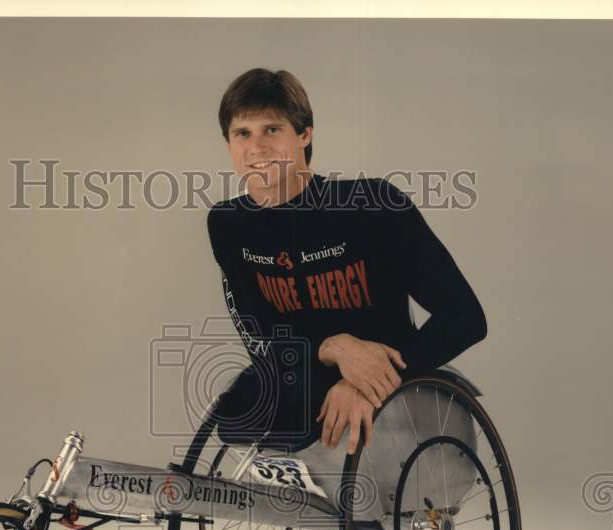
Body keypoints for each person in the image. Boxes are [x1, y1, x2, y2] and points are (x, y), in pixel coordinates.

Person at [206, 68, 487, 455]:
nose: (256, 148)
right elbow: (260, 336)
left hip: (393, 384)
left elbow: (465, 317)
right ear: (228, 143)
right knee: (238, 414)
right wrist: (335, 348)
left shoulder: (371, 206)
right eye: (242, 133)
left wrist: (368, 382)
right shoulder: (228, 224)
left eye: (272, 130)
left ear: (305, 134)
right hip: (302, 374)